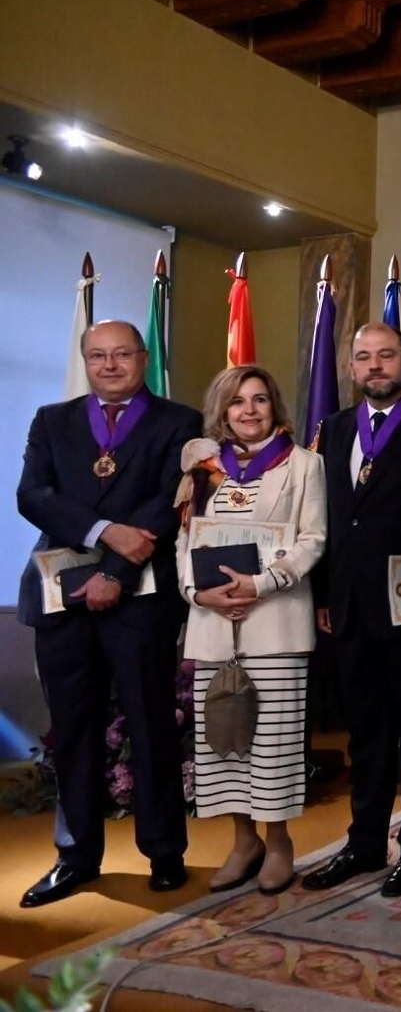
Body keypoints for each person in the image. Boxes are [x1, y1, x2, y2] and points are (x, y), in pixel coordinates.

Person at [16, 321, 200, 907]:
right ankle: (76, 857)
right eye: (98, 356)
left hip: (140, 598)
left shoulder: (179, 421)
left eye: (122, 354)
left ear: (143, 357)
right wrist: (105, 532)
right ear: (85, 360)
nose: (110, 364)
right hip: (61, 599)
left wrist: (114, 571)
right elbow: (33, 495)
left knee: (150, 723)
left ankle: (165, 851)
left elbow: (170, 500)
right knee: (73, 729)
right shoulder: (53, 419)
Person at [304, 324, 401, 898]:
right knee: (364, 733)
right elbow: (327, 521)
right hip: (350, 609)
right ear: (350, 368)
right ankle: (364, 843)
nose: (374, 366)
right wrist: (322, 596)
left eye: (385, 355)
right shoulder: (335, 429)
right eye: (363, 357)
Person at [176, 365, 326, 894]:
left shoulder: (305, 464)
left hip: (275, 625)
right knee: (224, 741)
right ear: (222, 410)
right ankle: (244, 842)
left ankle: (279, 841)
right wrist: (199, 593)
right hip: (213, 624)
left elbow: (313, 539)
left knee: (272, 743)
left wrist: (259, 584)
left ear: (274, 406)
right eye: (237, 401)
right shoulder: (202, 470)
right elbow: (184, 544)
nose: (249, 410)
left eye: (260, 399)